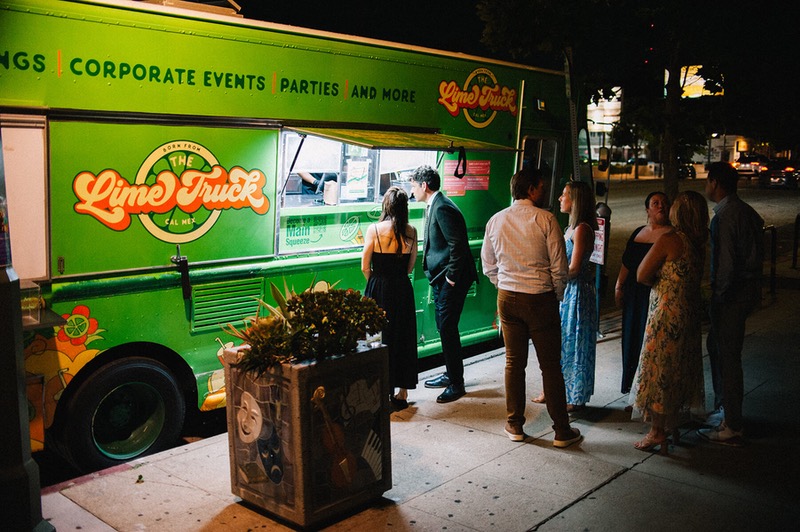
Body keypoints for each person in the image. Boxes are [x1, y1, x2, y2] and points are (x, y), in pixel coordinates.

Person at [481, 168, 583, 447]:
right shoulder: (546, 219)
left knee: (514, 363)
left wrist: (503, 283)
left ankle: (514, 424)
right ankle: (562, 430)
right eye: (540, 186)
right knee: (550, 366)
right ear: (531, 189)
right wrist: (557, 295)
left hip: (508, 297)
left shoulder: (496, 220)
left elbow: (488, 265)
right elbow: (559, 267)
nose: (543, 190)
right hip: (540, 297)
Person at [631, 191, 708, 454]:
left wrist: (662, 287)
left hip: (665, 314)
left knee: (658, 371)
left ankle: (656, 431)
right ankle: (671, 426)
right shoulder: (699, 243)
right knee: (677, 371)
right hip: (687, 315)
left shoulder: (669, 240)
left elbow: (641, 273)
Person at [699, 162, 764, 447]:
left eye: (707, 180)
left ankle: (731, 424)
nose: (706, 186)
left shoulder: (725, 217)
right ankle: (726, 412)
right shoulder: (746, 212)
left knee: (728, 356)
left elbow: (725, 265)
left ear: (715, 182)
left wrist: (719, 295)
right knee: (721, 349)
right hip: (746, 291)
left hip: (732, 296)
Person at [410, 165, 478, 403]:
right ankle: (451, 374)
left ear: (424, 185)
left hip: (452, 281)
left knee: (447, 327)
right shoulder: (437, 204)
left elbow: (457, 246)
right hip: (444, 279)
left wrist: (450, 278)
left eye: (413, 185)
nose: (412, 190)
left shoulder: (442, 208)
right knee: (444, 326)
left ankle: (457, 384)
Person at [361, 186, 419, 410]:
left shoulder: (374, 229)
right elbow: (411, 265)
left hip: (379, 286)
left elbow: (365, 266)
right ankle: (402, 392)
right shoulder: (411, 231)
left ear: (386, 205)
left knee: (376, 337)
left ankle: (379, 389)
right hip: (402, 289)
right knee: (402, 336)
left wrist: (375, 281)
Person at [615, 192, 672, 395]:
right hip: (633, 294)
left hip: (655, 293)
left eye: (664, 203)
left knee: (648, 341)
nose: (661, 206)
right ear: (647, 210)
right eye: (655, 203)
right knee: (631, 337)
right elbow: (627, 262)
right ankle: (631, 388)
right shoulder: (639, 232)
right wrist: (619, 285)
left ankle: (646, 391)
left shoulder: (670, 236)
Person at [549, 180, 598, 412]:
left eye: (564, 194)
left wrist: (553, 276)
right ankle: (559, 390)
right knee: (561, 343)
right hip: (569, 291)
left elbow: (575, 267)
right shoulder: (571, 227)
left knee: (574, 342)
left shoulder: (581, 229)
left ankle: (573, 396)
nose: (560, 198)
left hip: (576, 293)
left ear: (575, 200)